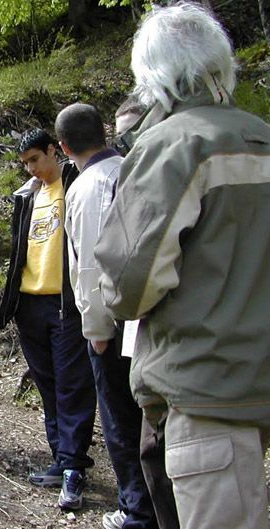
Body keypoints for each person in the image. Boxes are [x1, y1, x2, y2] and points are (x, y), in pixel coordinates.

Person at [95, 4, 270, 529]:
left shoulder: (172, 145)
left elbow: (129, 285)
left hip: (205, 389)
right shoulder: (261, 136)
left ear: (152, 75)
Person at [57, 103, 157, 528]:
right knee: (152, 416)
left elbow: (93, 265)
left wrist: (96, 327)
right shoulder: (139, 167)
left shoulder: (87, 186)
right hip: (155, 313)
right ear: (106, 132)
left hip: (116, 322)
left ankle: (137, 509)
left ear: (63, 147)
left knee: (120, 416)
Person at [0, 128, 96, 510]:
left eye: (36, 159)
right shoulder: (27, 196)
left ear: (55, 151)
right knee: (48, 384)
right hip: (29, 305)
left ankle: (73, 467)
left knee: (72, 385)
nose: (32, 169)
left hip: (66, 303)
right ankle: (62, 457)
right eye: (26, 164)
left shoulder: (77, 185)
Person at [113, 95, 180, 529]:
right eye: (121, 139)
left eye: (133, 134)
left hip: (181, 346)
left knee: (160, 446)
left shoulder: (167, 172)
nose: (128, 145)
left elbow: (128, 276)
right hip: (151, 335)